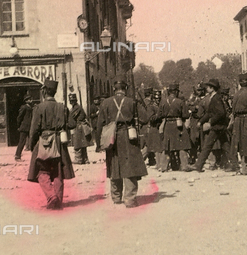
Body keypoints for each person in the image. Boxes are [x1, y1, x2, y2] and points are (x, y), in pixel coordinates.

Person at [96, 76, 147, 208]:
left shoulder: (105, 103)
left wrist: (99, 143)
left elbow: (99, 125)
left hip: (111, 137)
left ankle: (116, 197)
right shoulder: (131, 102)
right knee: (129, 166)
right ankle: (130, 199)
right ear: (125, 89)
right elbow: (143, 119)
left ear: (114, 89)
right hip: (128, 135)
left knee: (114, 165)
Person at [28, 80, 74, 210]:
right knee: (58, 172)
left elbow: (34, 129)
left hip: (44, 142)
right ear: (54, 92)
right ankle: (58, 202)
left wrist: (32, 145)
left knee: (42, 171)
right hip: (59, 142)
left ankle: (51, 196)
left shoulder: (39, 108)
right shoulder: (62, 107)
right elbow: (72, 124)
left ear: (44, 91)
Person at [188, 79, 231, 172]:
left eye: (208, 87)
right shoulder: (213, 97)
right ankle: (235, 165)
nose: (206, 88)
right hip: (219, 126)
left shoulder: (216, 98)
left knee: (207, 145)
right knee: (226, 146)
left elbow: (221, 113)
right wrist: (201, 122)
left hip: (217, 127)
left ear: (212, 88)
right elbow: (208, 113)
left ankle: (198, 165)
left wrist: (210, 122)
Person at [157, 83, 191, 172]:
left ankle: (163, 167)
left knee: (167, 146)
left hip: (167, 125)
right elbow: (186, 115)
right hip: (178, 125)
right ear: (176, 92)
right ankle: (184, 166)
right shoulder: (180, 102)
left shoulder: (163, 101)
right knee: (182, 145)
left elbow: (159, 115)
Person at [68, 93, 92, 164]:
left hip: (80, 127)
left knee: (78, 143)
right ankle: (85, 159)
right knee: (82, 143)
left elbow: (71, 116)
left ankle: (79, 159)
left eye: (73, 100)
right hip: (80, 126)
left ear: (75, 100)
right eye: (71, 101)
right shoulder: (76, 107)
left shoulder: (76, 108)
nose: (71, 102)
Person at [15, 93, 34, 161]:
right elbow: (19, 118)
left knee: (32, 142)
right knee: (22, 142)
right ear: (26, 101)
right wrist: (19, 126)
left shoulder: (31, 107)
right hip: (24, 127)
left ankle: (34, 157)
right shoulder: (24, 107)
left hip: (30, 127)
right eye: (29, 99)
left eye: (31, 99)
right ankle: (17, 156)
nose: (31, 100)